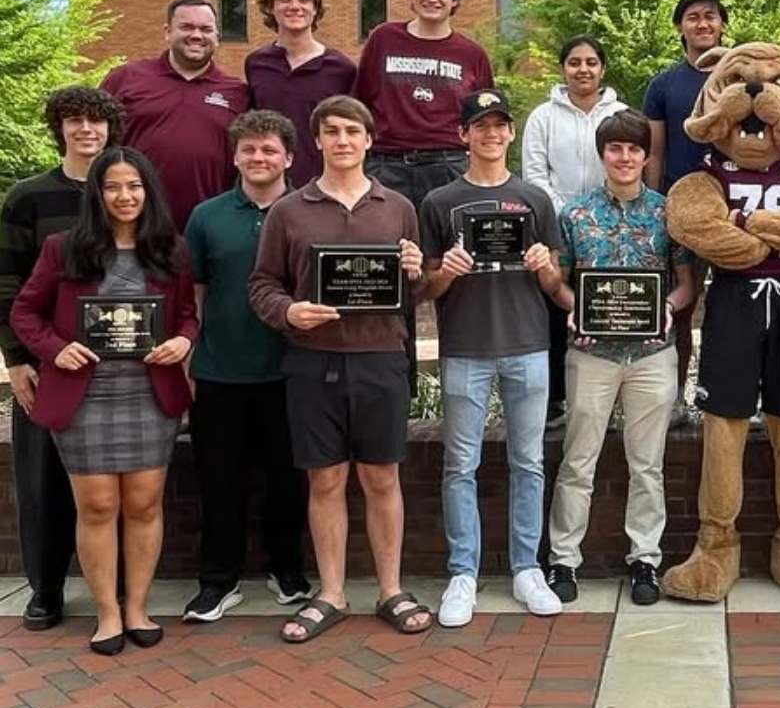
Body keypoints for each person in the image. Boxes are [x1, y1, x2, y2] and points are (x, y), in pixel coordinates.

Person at [248, 95, 432, 642]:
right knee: (325, 480)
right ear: (318, 141)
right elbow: (261, 285)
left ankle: (390, 588)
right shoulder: (288, 210)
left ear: (370, 140)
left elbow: (411, 292)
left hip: (380, 359)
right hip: (312, 362)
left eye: (353, 131)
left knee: (381, 478)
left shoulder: (397, 206)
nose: (343, 140)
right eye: (332, 131)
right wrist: (289, 312)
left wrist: (417, 271)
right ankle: (330, 593)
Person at [11, 148, 197, 655]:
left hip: (148, 393)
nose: (124, 196)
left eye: (134, 186)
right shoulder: (62, 248)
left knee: (142, 504)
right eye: (112, 186)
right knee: (96, 506)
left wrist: (184, 340)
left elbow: (186, 316)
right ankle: (107, 613)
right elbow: (25, 313)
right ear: (96, 194)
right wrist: (55, 349)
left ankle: (137, 606)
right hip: (85, 397)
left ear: (148, 191)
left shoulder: (170, 250)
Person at [419, 89, 565, 624]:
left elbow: (555, 283)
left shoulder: (534, 200)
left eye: (500, 125)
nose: (491, 134)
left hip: (528, 346)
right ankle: (464, 573)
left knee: (528, 461)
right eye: (480, 125)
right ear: (463, 135)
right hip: (466, 350)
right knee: (462, 465)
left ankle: (527, 567)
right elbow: (424, 289)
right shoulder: (439, 202)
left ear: (510, 134)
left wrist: (543, 266)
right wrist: (445, 273)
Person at [544, 109, 694, 607]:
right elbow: (561, 283)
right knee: (578, 459)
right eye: (616, 149)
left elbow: (685, 285)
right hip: (592, 355)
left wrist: (668, 310)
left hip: (653, 354)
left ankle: (645, 560)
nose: (625, 157)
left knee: (647, 465)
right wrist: (575, 307)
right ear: (602, 154)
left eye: (634, 149)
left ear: (646, 156)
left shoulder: (667, 212)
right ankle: (563, 560)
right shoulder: (575, 214)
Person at [0, 86, 122, 631]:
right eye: (75, 121)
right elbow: (7, 282)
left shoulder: (126, 193)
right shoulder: (28, 197)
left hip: (120, 366)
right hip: (45, 364)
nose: (86, 131)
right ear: (59, 128)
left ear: (110, 129)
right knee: (42, 482)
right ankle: (45, 590)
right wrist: (16, 358)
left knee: (114, 482)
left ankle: (116, 589)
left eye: (96, 121)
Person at [182, 110, 311, 623]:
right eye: (249, 150)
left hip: (291, 370)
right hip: (220, 371)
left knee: (288, 479)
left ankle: (287, 571)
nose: (259, 158)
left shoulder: (308, 210)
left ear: (290, 157)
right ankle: (218, 581)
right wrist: (189, 361)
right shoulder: (206, 217)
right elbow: (194, 294)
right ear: (234, 156)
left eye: (269, 150)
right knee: (219, 481)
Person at [522, 35, 628, 429]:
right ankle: (553, 401)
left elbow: (625, 167)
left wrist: (598, 215)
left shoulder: (620, 112)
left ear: (602, 68)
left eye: (591, 62)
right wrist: (569, 215)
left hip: (610, 227)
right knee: (554, 312)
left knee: (605, 311)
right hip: (554, 226)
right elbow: (534, 175)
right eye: (574, 62)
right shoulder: (542, 116)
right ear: (562, 67)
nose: (583, 69)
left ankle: (609, 405)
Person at [643, 0, 729, 428]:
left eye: (710, 17)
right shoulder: (663, 85)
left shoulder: (740, 75)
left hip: (735, 210)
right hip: (680, 208)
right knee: (678, 306)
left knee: (732, 308)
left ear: (722, 25)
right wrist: (654, 202)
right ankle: (675, 399)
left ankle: (725, 397)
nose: (702, 24)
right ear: (681, 27)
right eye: (693, 17)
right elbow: (655, 149)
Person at [352, 0, 494, 209]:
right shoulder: (382, 38)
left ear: (455, 0)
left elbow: (484, 118)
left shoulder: (472, 54)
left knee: (448, 247)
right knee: (386, 246)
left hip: (449, 167)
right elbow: (359, 103)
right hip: (386, 166)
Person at [100, 0, 249, 228]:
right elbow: (97, 145)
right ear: (167, 31)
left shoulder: (237, 92)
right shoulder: (126, 79)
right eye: (186, 27)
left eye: (206, 29)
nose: (196, 35)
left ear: (217, 37)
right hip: (134, 225)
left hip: (209, 228)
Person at [245, 0, 358, 188]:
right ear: (270, 7)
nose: (295, 6)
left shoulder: (342, 69)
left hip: (323, 190)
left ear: (315, 8)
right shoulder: (256, 64)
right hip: (270, 189)